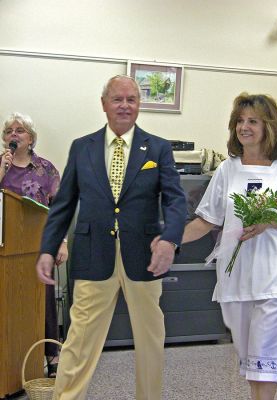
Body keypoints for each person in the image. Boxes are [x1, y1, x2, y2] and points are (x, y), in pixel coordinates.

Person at [36, 75, 187, 400]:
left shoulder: (157, 148)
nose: (125, 105)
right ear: (104, 104)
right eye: (117, 99)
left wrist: (170, 239)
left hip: (145, 257)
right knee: (78, 341)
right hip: (93, 255)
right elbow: (63, 203)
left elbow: (175, 199)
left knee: (150, 340)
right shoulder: (82, 147)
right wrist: (48, 247)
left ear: (139, 105)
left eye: (131, 99)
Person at [182, 93, 277, 400]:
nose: (243, 127)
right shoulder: (227, 169)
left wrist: (270, 221)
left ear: (269, 126)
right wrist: (166, 240)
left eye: (252, 121)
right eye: (239, 121)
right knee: (250, 361)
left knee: (265, 357)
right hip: (237, 277)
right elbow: (206, 221)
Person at [0, 112, 68, 377]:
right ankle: (9, 358)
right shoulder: (1, 164)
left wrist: (62, 242)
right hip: (5, 250)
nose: (13, 135)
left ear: (31, 138)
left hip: (40, 246)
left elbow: (60, 208)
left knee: (44, 300)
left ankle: (51, 355)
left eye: (20, 130)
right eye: (9, 131)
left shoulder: (45, 169)